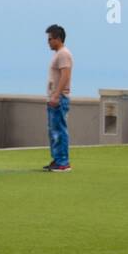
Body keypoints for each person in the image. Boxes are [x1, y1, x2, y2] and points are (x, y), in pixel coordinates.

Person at [44, 24, 73, 173]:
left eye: (50, 39)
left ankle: (63, 162)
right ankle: (57, 159)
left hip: (59, 98)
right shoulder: (58, 54)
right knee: (53, 130)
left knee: (59, 130)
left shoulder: (63, 54)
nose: (48, 42)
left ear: (58, 39)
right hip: (54, 98)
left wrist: (56, 94)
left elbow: (65, 75)